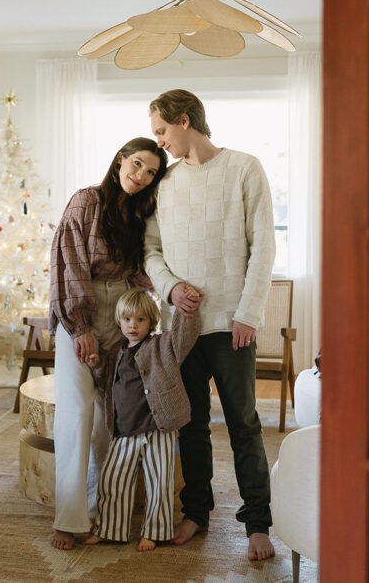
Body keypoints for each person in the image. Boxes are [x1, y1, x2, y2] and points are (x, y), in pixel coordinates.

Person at [143, 89, 277, 561]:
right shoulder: (166, 183)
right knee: (192, 424)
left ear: (184, 121)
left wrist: (248, 314)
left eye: (161, 131)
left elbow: (262, 245)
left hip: (232, 324)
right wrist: (171, 288)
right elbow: (151, 250)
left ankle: (257, 522)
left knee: (243, 423)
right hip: (183, 326)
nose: (159, 142)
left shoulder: (244, 167)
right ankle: (196, 510)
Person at [48, 137, 168, 550]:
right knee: (76, 410)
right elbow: (70, 262)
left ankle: (103, 512)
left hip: (123, 315)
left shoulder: (140, 214)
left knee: (110, 413)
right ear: (121, 160)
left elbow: (138, 272)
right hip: (80, 309)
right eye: (137, 164)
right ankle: (69, 518)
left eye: (151, 172)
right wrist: (80, 327)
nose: (141, 176)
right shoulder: (86, 201)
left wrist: (170, 290)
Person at [83, 286, 200, 552]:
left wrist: (187, 308)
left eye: (140, 320)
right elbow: (106, 383)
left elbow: (184, 337)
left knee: (158, 482)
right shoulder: (115, 353)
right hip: (124, 430)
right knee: (113, 480)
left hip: (157, 429)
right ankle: (109, 529)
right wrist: (95, 363)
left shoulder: (161, 346)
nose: (132, 325)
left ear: (151, 322)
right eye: (127, 319)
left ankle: (155, 532)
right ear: (119, 321)